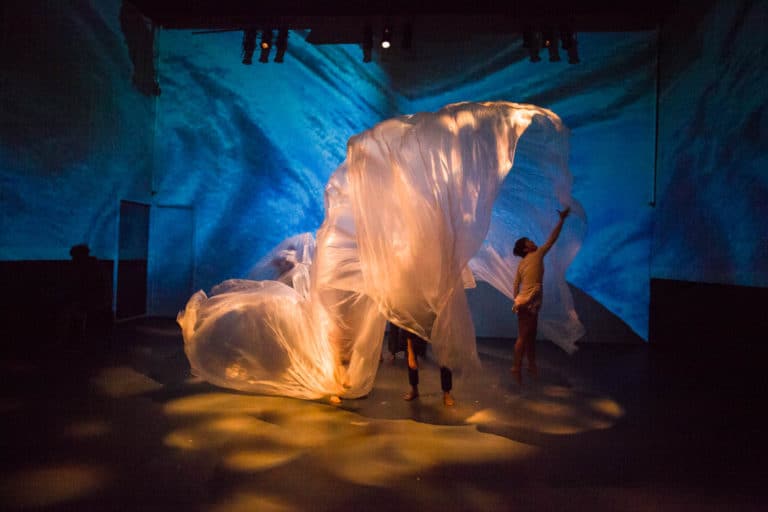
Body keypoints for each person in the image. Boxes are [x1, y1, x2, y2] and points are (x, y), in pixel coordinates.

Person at [511, 207, 571, 383]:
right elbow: (552, 239)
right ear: (526, 248)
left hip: (528, 301)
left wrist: (517, 301)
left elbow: (516, 284)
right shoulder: (537, 254)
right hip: (529, 301)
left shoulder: (522, 264)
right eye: (529, 241)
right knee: (524, 336)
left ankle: (531, 365)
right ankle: (516, 367)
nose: (533, 241)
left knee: (530, 335)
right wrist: (561, 220)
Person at [401, 327, 455, 407]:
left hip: (437, 324)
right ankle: (414, 389)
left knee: (445, 355)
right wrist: (410, 350)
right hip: (418, 326)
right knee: (412, 355)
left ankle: (446, 392)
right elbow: (409, 328)